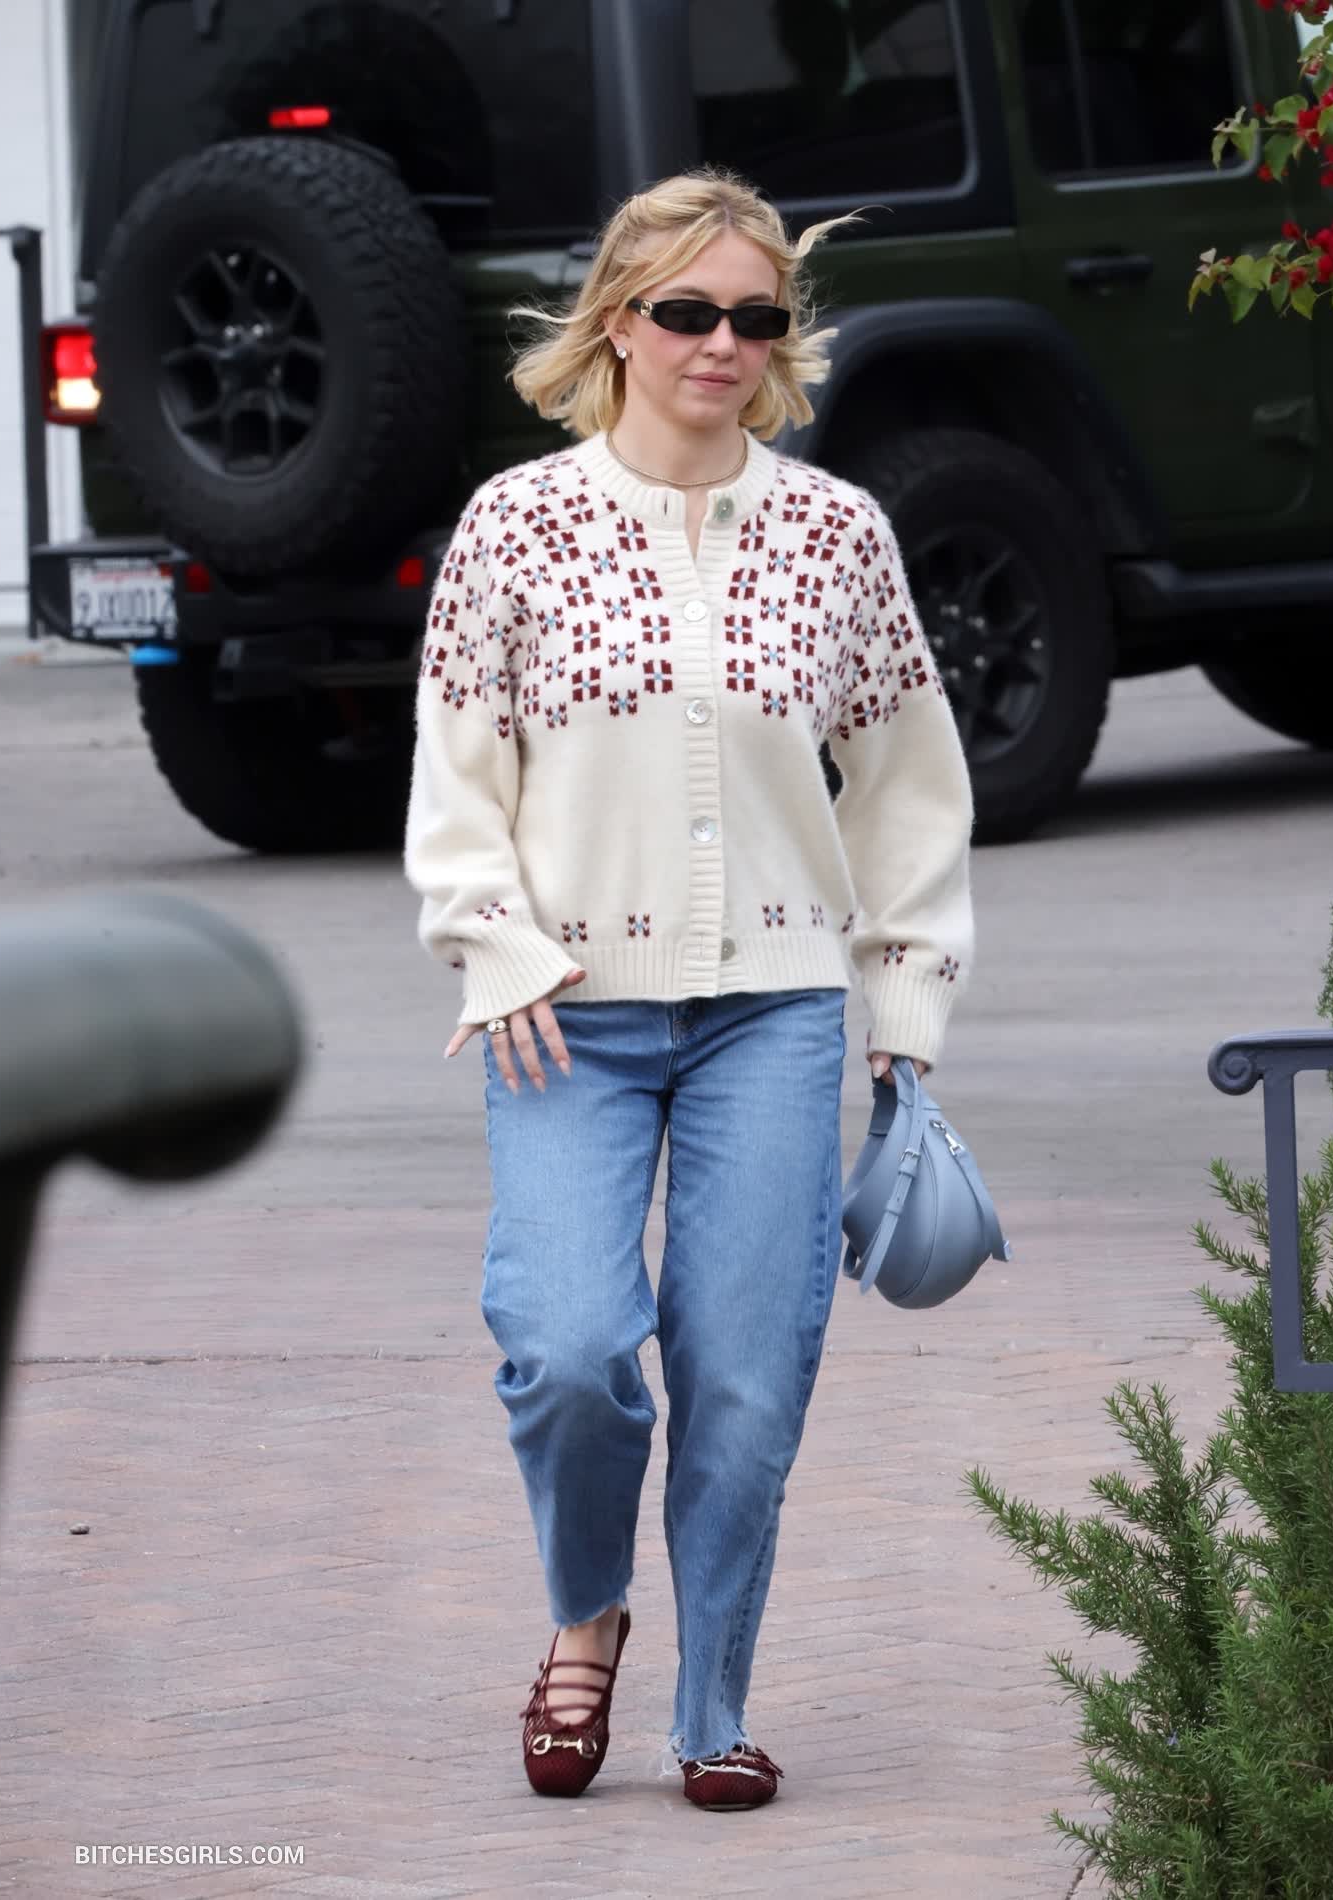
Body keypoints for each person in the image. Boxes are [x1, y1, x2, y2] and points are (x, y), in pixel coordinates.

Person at [403, 165, 975, 1813]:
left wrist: (905, 1006)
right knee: (570, 1349)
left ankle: (711, 1706)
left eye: (754, 315)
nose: (722, 342)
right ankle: (585, 1614)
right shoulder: (516, 526)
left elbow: (911, 787)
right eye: (686, 311)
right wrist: (491, 936)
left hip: (777, 1011)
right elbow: (459, 771)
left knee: (744, 1378)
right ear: (617, 324)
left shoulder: (838, 534)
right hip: (562, 1013)